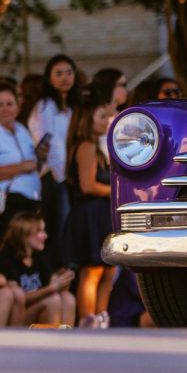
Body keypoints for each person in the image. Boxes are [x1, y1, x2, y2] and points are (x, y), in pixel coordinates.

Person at [0, 79, 45, 249]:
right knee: (10, 251)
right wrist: (22, 167)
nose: (5, 109)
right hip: (5, 206)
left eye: (10, 104)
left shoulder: (21, 129)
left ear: (18, 106)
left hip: (28, 203)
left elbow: (31, 162)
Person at [64, 96, 116, 323]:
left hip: (103, 212)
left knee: (109, 269)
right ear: (87, 119)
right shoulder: (85, 146)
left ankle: (102, 316)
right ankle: (88, 318)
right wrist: (115, 191)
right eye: (101, 116)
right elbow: (88, 185)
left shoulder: (100, 146)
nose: (107, 121)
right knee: (93, 269)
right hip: (90, 213)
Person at [27, 55, 80, 270]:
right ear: (49, 79)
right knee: (58, 232)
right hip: (54, 178)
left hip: (72, 178)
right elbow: (49, 145)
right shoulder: (45, 106)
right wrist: (62, 176)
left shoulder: (75, 106)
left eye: (69, 72)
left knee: (71, 231)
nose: (65, 78)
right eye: (58, 73)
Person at [0, 211, 76, 326]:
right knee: (52, 301)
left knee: (68, 298)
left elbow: (57, 289)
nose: (45, 236)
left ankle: (66, 341)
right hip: (15, 317)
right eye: (40, 231)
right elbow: (16, 299)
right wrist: (51, 288)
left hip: (35, 312)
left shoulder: (38, 258)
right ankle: (50, 342)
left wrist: (64, 280)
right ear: (24, 233)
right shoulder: (6, 260)